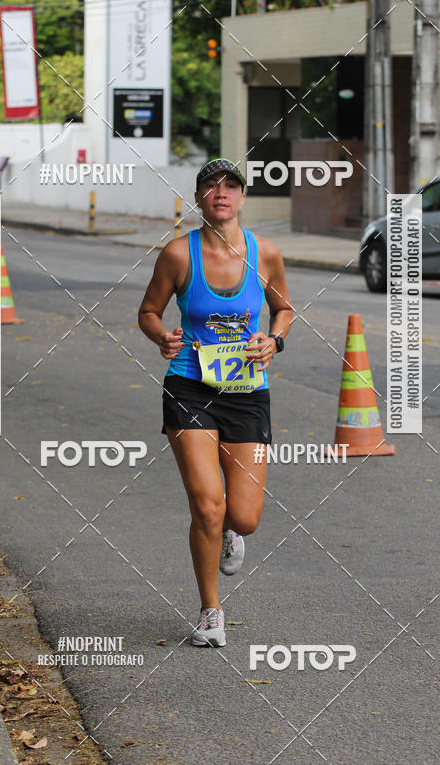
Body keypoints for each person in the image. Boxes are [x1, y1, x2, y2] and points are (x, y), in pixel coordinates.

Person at [138, 159, 293, 647]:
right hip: (190, 388)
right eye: (210, 186)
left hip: (247, 393)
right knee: (207, 505)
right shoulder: (178, 255)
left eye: (230, 186)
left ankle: (230, 531)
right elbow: (148, 311)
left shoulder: (265, 254)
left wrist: (274, 340)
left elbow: (284, 309)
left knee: (243, 516)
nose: (220, 192)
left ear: (242, 198)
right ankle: (210, 612)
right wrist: (162, 336)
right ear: (199, 198)